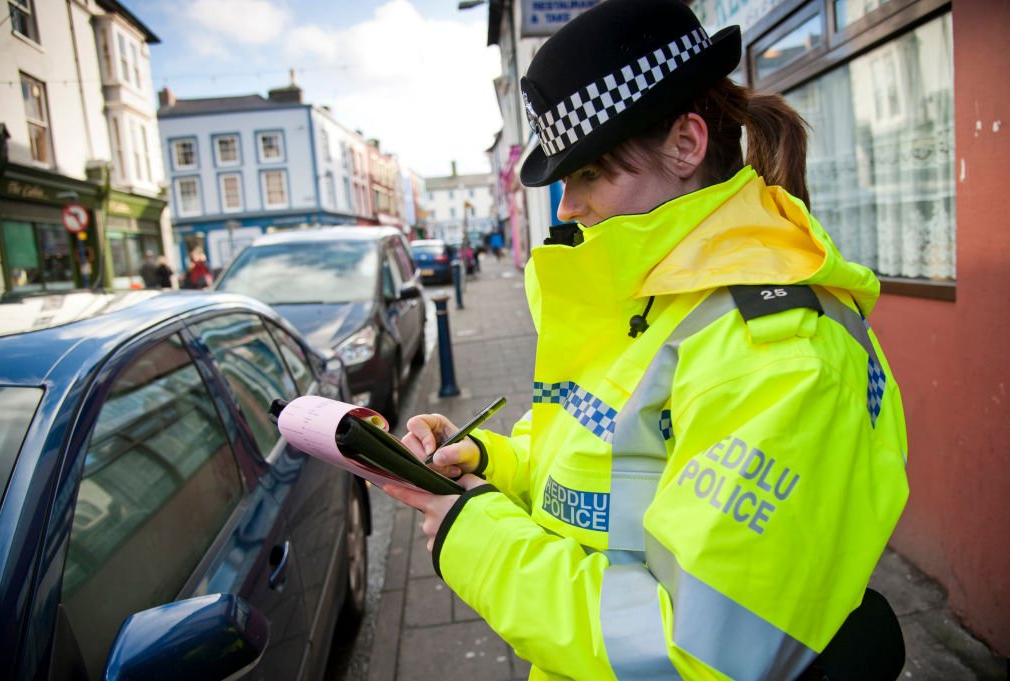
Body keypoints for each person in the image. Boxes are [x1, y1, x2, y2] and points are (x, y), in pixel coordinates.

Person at [383, 1, 909, 680]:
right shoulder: (657, 295)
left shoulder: (781, 356)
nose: (567, 205)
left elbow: (688, 649)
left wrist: (472, 532)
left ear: (687, 145)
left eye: (590, 173)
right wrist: (490, 458)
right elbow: (596, 469)